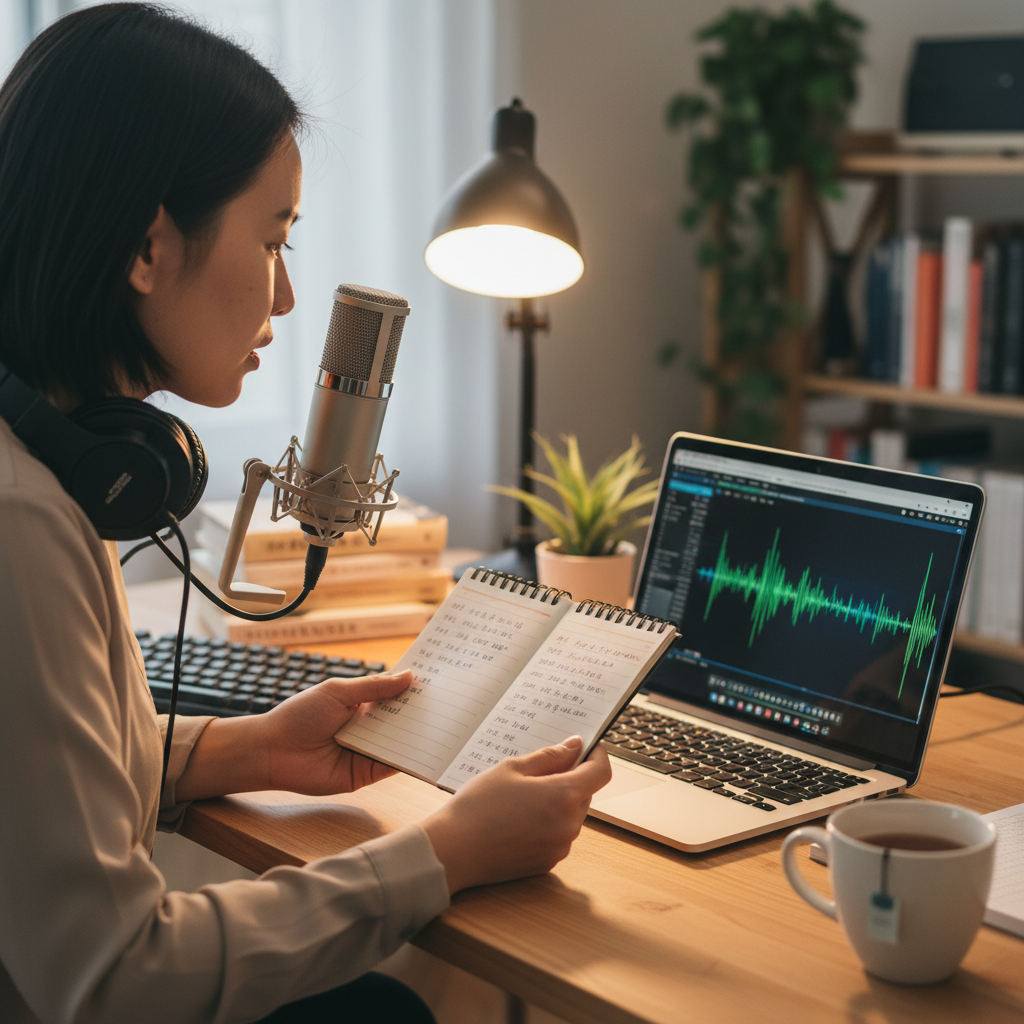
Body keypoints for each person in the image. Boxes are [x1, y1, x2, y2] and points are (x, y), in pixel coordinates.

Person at [0, 5, 612, 1023]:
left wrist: (250, 747)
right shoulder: (21, 523)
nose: (284, 299)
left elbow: (36, 787)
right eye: (272, 237)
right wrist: (441, 853)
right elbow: (114, 977)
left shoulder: (57, 456)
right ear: (149, 244)